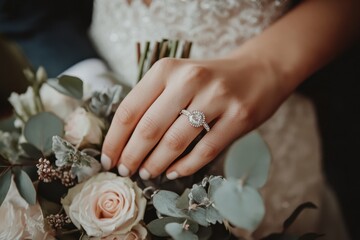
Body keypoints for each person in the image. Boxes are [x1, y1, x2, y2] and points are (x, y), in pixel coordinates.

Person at [0, 0, 359, 239]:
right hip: (99, 68)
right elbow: (27, 11)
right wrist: (95, 89)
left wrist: (269, 65)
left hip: (273, 131)